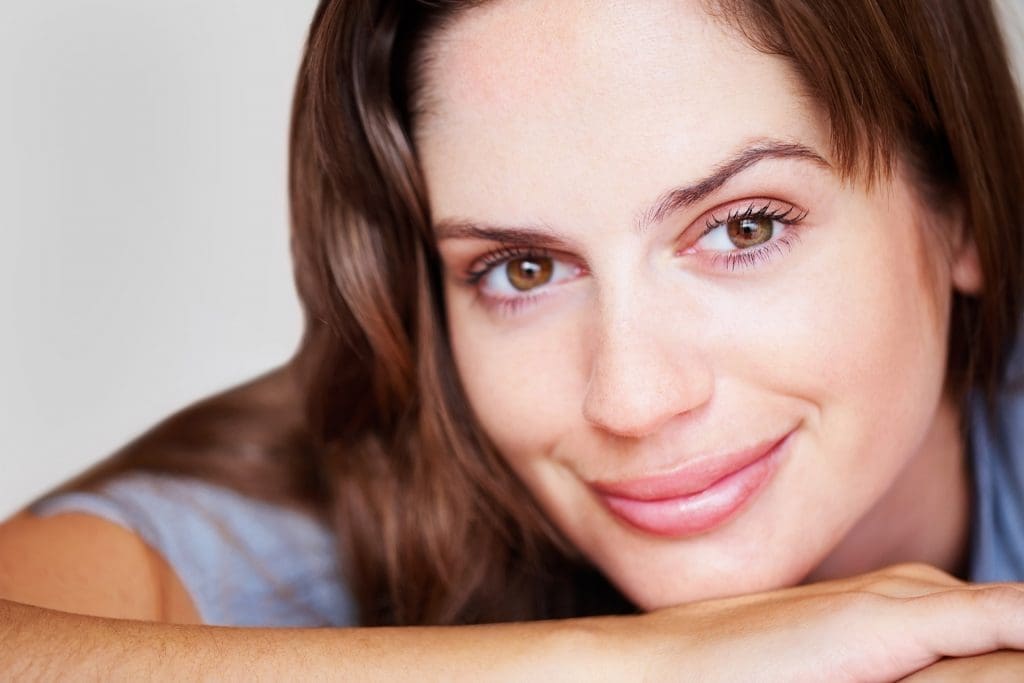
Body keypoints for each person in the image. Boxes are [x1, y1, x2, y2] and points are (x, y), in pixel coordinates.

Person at [3, 0, 1024, 678]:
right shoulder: (361, 499)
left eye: (743, 227)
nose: (630, 396)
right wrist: (637, 663)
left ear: (962, 211)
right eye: (522, 269)